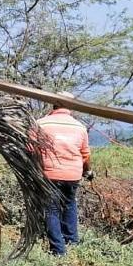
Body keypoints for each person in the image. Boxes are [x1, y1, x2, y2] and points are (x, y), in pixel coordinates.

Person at [34, 95, 92, 255]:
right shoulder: (79, 126)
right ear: (70, 107)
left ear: (53, 105)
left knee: (51, 209)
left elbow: (32, 150)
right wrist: (88, 171)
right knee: (69, 204)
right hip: (73, 174)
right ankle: (72, 242)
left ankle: (58, 250)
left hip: (49, 173)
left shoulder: (41, 123)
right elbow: (85, 155)